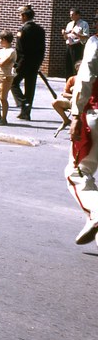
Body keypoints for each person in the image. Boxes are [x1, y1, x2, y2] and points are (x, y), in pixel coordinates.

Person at [67, 13, 98, 245]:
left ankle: (96, 212)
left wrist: (76, 114)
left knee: (77, 171)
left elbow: (86, 76)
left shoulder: (95, 42)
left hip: (95, 112)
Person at [12, 4, 46, 121]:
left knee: (13, 83)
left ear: (25, 16)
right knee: (30, 88)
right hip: (35, 62)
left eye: (20, 15)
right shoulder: (40, 30)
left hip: (23, 62)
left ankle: (23, 103)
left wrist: (16, 64)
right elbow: (42, 49)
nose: (19, 18)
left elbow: (20, 49)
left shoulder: (23, 30)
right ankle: (25, 113)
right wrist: (39, 62)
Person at [62, 7, 89, 78]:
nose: (70, 16)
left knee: (76, 66)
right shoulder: (69, 24)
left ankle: (76, 81)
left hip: (77, 47)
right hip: (69, 46)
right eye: (70, 14)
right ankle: (68, 82)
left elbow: (86, 37)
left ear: (78, 15)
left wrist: (76, 34)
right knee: (68, 66)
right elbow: (66, 38)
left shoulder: (84, 24)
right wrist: (64, 34)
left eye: (72, 14)